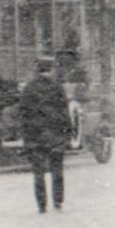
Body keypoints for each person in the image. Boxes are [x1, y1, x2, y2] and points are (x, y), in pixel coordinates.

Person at [19, 57, 72, 213]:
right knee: (57, 170)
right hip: (55, 135)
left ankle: (41, 205)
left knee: (38, 172)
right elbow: (64, 112)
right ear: (51, 69)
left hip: (35, 136)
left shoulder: (29, 88)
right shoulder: (57, 87)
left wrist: (26, 137)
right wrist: (67, 134)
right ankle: (58, 202)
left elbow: (23, 114)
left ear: (38, 70)